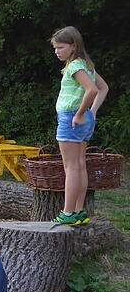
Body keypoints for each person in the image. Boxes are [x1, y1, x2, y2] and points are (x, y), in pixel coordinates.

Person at [50, 26, 109, 225]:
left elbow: (92, 90)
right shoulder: (87, 65)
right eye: (55, 48)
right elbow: (103, 88)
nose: (57, 51)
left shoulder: (75, 66)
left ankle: (67, 213)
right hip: (81, 120)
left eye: (61, 47)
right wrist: (91, 112)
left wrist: (81, 113)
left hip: (71, 119)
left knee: (71, 167)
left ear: (73, 46)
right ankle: (78, 211)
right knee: (80, 165)